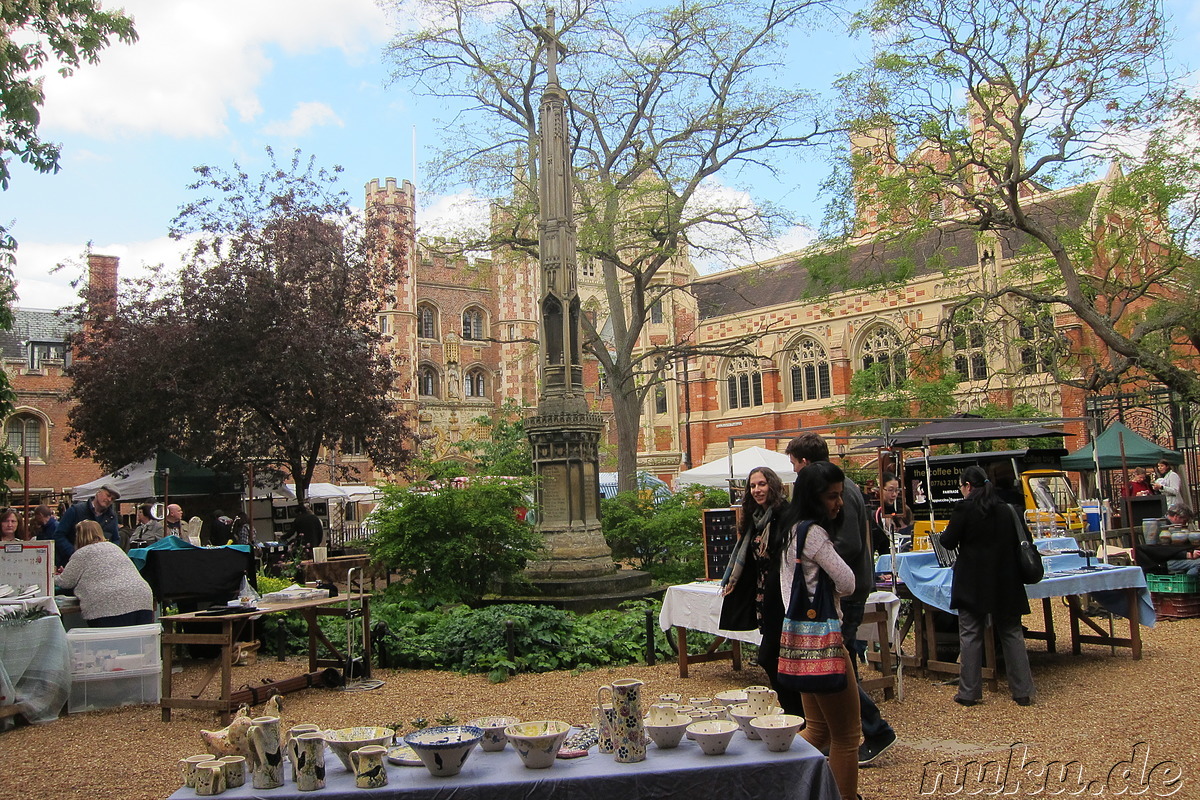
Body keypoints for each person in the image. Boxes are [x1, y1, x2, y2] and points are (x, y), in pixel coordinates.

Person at [787, 433, 897, 767]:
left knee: (839, 670)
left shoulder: (837, 491)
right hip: (837, 592)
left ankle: (873, 729)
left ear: (806, 464)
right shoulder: (836, 490)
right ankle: (841, 733)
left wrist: (820, 562)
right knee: (838, 670)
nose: (793, 473)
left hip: (842, 593)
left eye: (794, 465)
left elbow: (847, 547)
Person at [758, 460, 859, 800]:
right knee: (846, 736)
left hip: (798, 640)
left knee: (815, 729)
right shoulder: (813, 534)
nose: (838, 503)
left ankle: (770, 783)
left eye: (839, 496)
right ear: (814, 497)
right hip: (825, 642)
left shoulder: (789, 529)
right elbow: (848, 582)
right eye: (832, 496)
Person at [939, 465, 1036, 707]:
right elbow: (1025, 539)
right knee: (1012, 633)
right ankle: (1022, 691)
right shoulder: (1008, 510)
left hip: (973, 580)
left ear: (968, 486)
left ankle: (969, 692)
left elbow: (948, 542)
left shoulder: (964, 508)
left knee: (971, 635)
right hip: (1006, 579)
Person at [719, 467, 788, 633]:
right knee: (768, 637)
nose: (757, 490)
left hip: (781, 589)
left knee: (774, 643)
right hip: (761, 588)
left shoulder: (784, 515)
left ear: (772, 485)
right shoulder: (754, 518)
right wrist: (734, 579)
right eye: (752, 486)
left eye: (762, 484)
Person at [54, 520, 155, 627]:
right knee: (139, 641)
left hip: (109, 604)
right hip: (142, 597)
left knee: (111, 643)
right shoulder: (114, 548)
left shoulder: (82, 554)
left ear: (78, 536)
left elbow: (65, 582)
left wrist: (53, 576)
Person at [55, 484, 121, 567]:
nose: (109, 499)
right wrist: (74, 553)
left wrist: (108, 555)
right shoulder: (76, 511)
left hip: (99, 566)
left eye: (112, 499)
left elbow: (115, 540)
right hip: (73, 564)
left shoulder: (112, 517)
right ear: (98, 492)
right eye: (108, 495)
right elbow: (59, 535)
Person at [871, 472, 913, 556]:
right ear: (880, 490)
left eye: (897, 490)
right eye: (890, 490)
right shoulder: (873, 513)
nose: (894, 494)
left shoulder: (901, 509)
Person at [1164, 504, 1200, 576]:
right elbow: (1166, 550)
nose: (1184, 524)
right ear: (1176, 517)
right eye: (1184, 521)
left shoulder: (1174, 527)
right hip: (1168, 561)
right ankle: (1189, 582)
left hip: (1178, 558)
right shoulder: (1164, 528)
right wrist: (1189, 555)